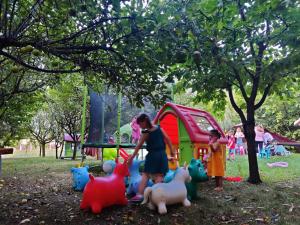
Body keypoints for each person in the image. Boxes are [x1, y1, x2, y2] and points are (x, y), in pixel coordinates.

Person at [127, 113, 176, 202]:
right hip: (162, 155)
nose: (140, 126)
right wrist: (172, 152)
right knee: (160, 175)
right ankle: (155, 197)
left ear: (145, 121)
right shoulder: (159, 128)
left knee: (146, 174)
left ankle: (140, 195)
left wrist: (131, 157)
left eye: (140, 124)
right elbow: (168, 139)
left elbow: (138, 145)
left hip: (152, 156)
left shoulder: (146, 133)